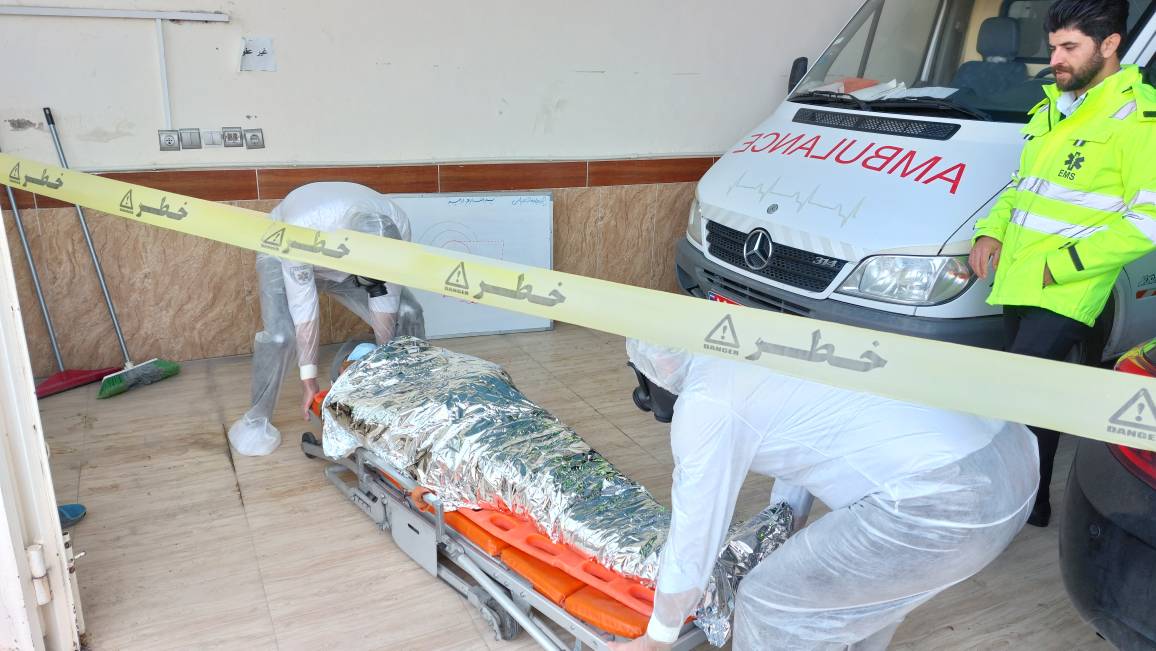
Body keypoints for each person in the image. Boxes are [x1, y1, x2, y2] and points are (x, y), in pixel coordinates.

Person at [610, 340, 1038, 651]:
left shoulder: (707, 404)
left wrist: (657, 638)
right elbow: (802, 445)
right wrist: (785, 531)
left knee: (768, 603)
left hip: (949, 499)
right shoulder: (761, 344)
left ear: (660, 367)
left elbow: (694, 534)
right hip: (1010, 455)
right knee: (862, 595)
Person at [968, 0, 1156, 526]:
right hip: (1018, 277)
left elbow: (1147, 222)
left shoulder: (1139, 118)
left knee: (1012, 395)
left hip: (1068, 286)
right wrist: (989, 230)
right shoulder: (1055, 107)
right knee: (1036, 399)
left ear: (1110, 44)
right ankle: (1033, 505)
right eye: (1053, 47)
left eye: (1070, 47)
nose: (1056, 59)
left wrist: (1062, 266)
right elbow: (1021, 187)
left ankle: (1001, 504)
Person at [227, 182, 424, 456]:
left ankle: (414, 399)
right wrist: (308, 380)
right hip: (284, 250)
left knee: (408, 313)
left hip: (351, 266)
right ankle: (255, 422)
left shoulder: (398, 227)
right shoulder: (300, 230)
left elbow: (385, 297)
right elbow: (304, 308)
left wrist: (386, 363)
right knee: (282, 337)